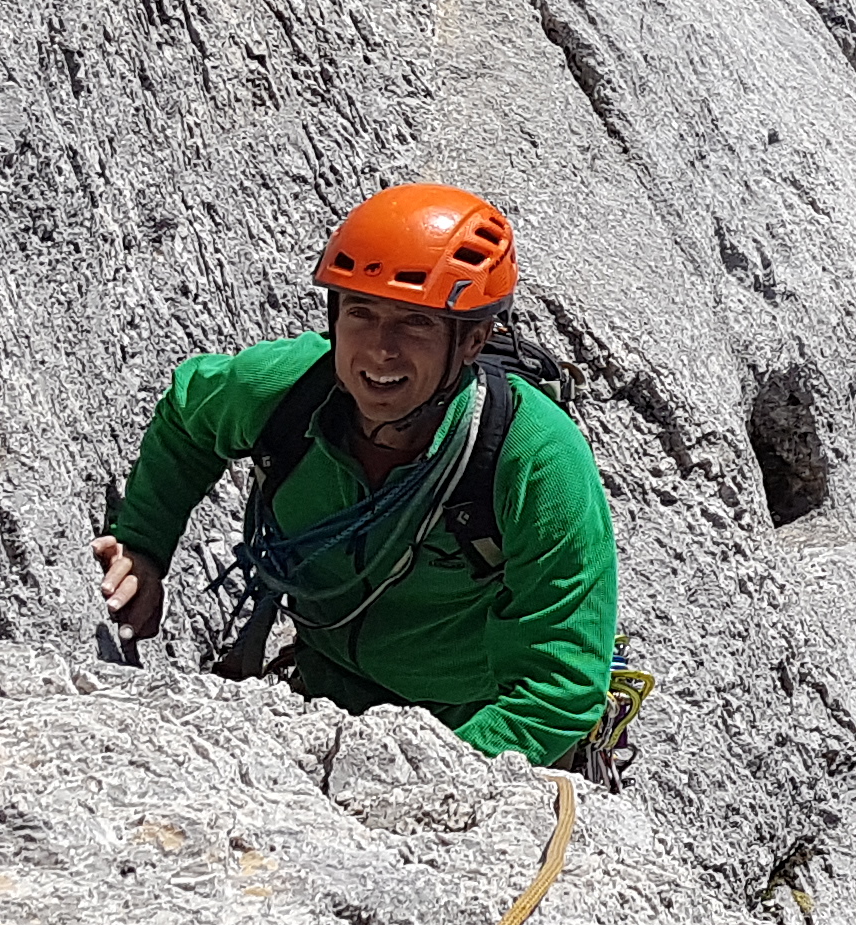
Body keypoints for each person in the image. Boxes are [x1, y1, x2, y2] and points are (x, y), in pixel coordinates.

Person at [93, 183, 624, 770]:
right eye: (360, 313)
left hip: (469, 721)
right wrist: (144, 543)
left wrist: (434, 775)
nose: (379, 351)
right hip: (325, 690)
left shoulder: (536, 460)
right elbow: (189, 418)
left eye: (416, 324)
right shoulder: (288, 391)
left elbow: (560, 690)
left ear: (473, 340)